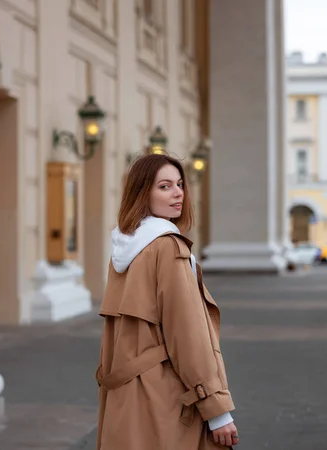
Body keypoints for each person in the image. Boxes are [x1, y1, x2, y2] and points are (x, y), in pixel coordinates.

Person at [95, 154, 239, 449]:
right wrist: (217, 411)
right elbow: (187, 334)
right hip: (165, 397)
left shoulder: (124, 248)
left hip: (125, 395)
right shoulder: (168, 248)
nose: (178, 193)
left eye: (180, 184)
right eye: (164, 186)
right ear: (142, 192)